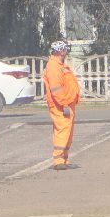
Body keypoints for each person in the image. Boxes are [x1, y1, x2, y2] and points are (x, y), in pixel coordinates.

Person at [43, 40, 81, 170]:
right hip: (61, 105)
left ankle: (64, 159)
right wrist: (64, 104)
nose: (66, 52)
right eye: (65, 50)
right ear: (60, 51)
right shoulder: (53, 67)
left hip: (66, 104)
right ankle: (58, 160)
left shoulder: (59, 65)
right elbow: (56, 89)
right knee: (62, 131)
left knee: (67, 132)